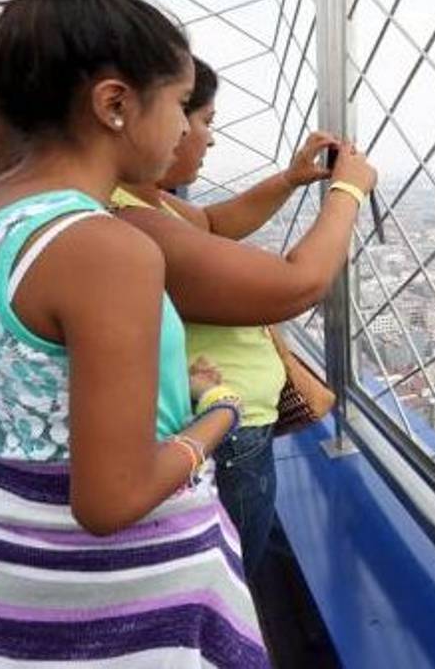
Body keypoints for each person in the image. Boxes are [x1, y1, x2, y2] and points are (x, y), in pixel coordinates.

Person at [0, 0, 266, 667]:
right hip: (113, 603)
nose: (187, 135)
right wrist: (216, 415)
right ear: (117, 103)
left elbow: (19, 373)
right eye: (179, 105)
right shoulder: (103, 248)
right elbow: (109, 501)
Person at [112, 58, 377, 584]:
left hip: (223, 421)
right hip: (222, 433)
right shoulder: (128, 222)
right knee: (230, 577)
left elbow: (211, 224)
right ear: (122, 112)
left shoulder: (143, 202)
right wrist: (347, 193)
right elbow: (294, 286)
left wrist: (291, 178)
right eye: (197, 116)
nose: (201, 135)